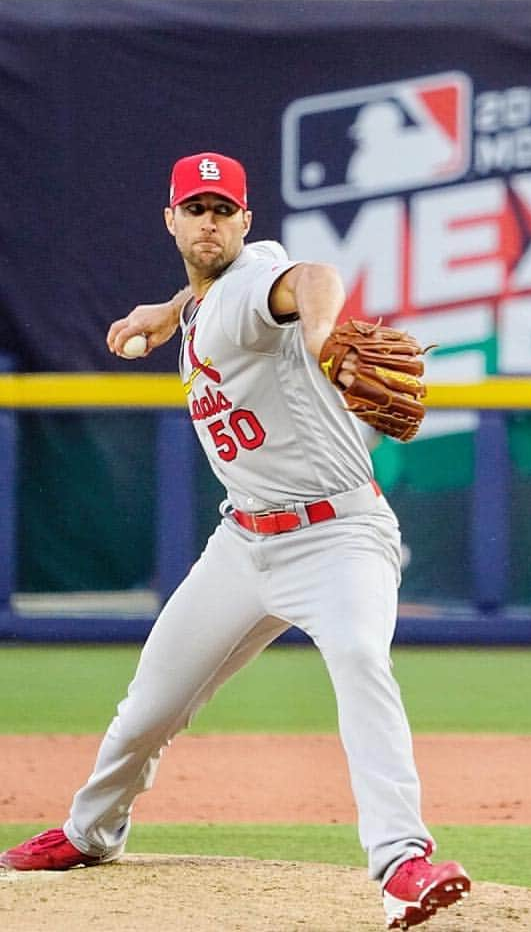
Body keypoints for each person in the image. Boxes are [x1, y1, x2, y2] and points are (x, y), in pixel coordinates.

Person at [0, 152, 471, 932]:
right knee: (149, 707)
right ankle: (91, 833)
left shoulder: (262, 279)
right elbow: (215, 294)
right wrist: (170, 305)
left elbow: (311, 277)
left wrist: (321, 334)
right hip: (243, 542)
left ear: (247, 222)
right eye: (197, 209)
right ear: (172, 220)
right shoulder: (208, 299)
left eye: (225, 210)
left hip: (339, 537)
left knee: (359, 658)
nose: (210, 222)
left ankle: (402, 862)